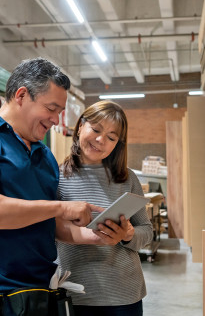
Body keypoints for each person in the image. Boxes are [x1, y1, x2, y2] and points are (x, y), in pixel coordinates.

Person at [0, 57, 102, 314]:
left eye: (59, 112)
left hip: (40, 292)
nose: (55, 120)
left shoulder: (45, 155)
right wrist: (60, 208)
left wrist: (95, 236)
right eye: (51, 108)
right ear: (21, 95)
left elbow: (47, 224)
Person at [55, 101, 154, 316]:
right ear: (81, 126)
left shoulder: (127, 179)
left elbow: (146, 231)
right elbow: (46, 230)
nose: (100, 140)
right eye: (96, 129)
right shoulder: (56, 177)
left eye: (111, 137)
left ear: (117, 144)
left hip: (123, 295)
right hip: (73, 293)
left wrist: (128, 235)